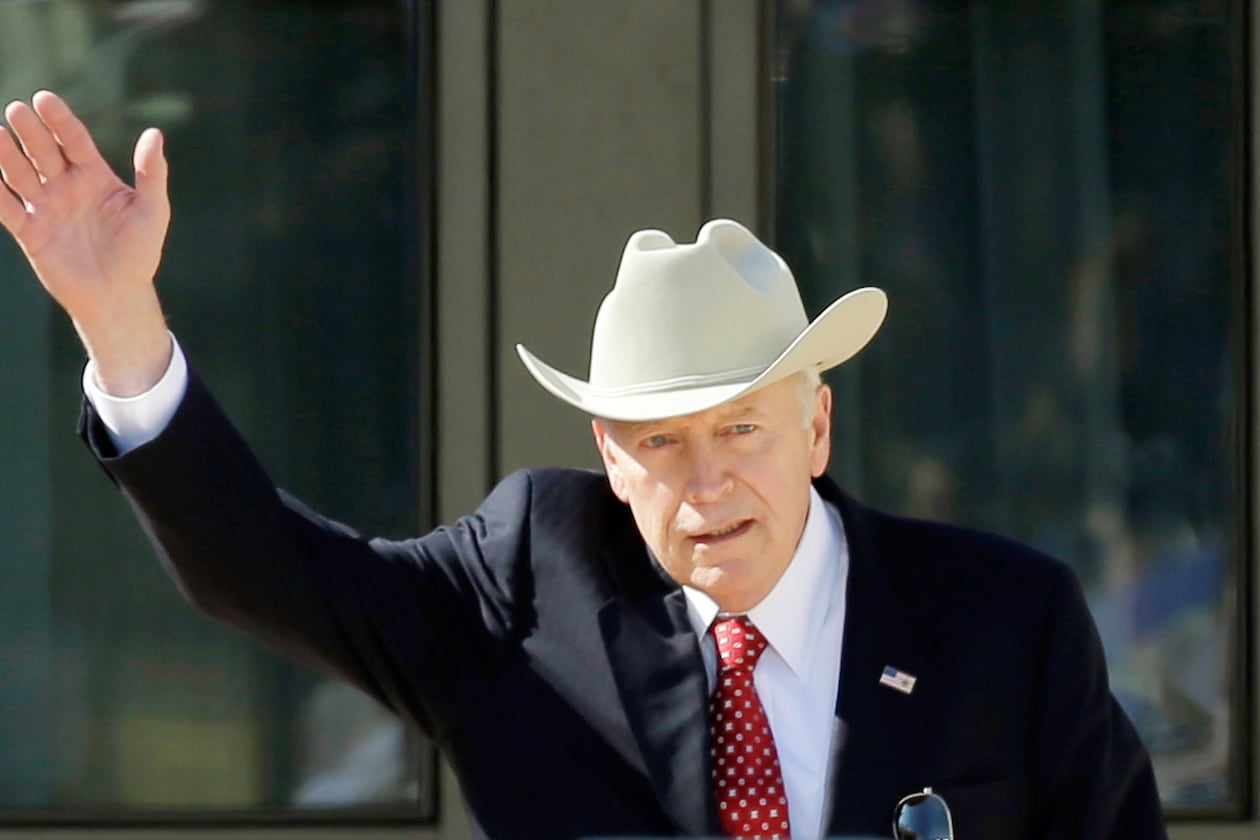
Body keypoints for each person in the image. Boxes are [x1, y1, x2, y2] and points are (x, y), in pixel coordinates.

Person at [1, 91, 1165, 840]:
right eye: (662, 442)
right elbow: (269, 569)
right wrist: (119, 323)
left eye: (744, 429)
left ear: (817, 430)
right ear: (609, 457)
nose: (707, 483)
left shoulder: (1003, 624)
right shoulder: (530, 582)